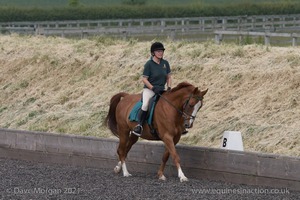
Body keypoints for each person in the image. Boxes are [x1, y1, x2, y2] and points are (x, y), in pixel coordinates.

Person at [132, 42, 172, 137]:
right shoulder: (149, 64)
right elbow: (144, 79)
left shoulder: (165, 63)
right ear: (153, 53)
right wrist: (153, 88)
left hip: (162, 89)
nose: (160, 53)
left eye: (162, 51)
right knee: (145, 104)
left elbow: (169, 77)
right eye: (158, 51)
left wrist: (169, 87)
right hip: (150, 90)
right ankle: (139, 126)